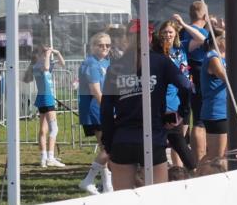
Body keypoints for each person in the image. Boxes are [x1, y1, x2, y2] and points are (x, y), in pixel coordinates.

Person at [100, 21, 193, 189]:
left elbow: (106, 109)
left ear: (128, 38)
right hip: (153, 137)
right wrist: (181, 112)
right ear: (150, 38)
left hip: (124, 138)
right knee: (157, 199)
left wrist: (108, 143)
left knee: (123, 199)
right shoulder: (161, 61)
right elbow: (186, 86)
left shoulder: (115, 67)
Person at [155, 21, 196, 170]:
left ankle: (179, 171)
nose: (167, 35)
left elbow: (201, 40)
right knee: (174, 140)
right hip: (164, 101)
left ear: (176, 34)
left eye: (170, 32)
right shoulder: (156, 52)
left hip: (181, 98)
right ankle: (177, 171)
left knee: (179, 141)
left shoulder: (181, 48)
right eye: (164, 32)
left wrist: (184, 24)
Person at [77, 32, 113, 193]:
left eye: (107, 45)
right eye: (100, 45)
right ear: (92, 46)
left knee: (104, 147)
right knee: (108, 146)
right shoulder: (91, 64)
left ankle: (107, 185)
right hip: (95, 109)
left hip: (101, 108)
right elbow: (95, 91)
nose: (104, 48)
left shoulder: (105, 62)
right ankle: (88, 180)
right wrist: (109, 110)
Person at [177, 2, 210, 161]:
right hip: (198, 74)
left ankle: (182, 156)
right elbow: (204, 41)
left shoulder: (184, 31)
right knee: (199, 119)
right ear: (205, 16)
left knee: (185, 115)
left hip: (184, 74)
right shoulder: (202, 32)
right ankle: (199, 158)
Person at [25, 44, 67, 167]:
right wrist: (48, 54)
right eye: (45, 52)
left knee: (43, 130)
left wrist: (57, 52)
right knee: (54, 129)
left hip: (43, 98)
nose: (48, 53)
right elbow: (47, 67)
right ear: (40, 54)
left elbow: (63, 64)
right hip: (47, 98)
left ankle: (43, 158)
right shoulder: (39, 65)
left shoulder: (39, 65)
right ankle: (50, 157)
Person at [200, 31, 229, 168]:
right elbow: (225, 76)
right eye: (224, 37)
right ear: (216, 40)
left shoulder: (222, 57)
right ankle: (197, 178)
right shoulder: (212, 56)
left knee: (224, 153)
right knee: (215, 154)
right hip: (216, 112)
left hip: (225, 111)